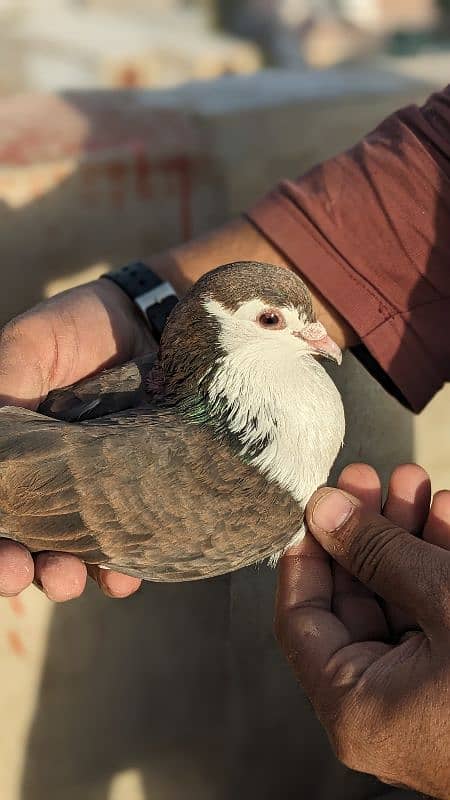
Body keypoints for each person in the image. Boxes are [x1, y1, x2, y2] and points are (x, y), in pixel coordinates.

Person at [0, 85, 449, 795]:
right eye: (277, 322)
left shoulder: (219, 444)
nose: (316, 337)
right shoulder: (256, 495)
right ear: (218, 330)